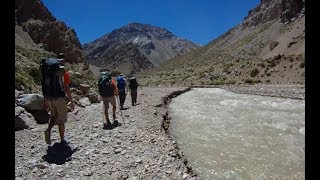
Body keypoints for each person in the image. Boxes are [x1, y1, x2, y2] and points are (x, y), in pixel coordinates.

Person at [43, 53, 75, 145]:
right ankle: (62, 140)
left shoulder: (48, 70)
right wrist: (71, 101)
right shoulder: (63, 72)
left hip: (50, 97)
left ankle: (48, 130)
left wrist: (45, 100)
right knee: (61, 120)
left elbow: (45, 85)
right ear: (64, 61)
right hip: (59, 98)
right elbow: (67, 88)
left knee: (53, 116)